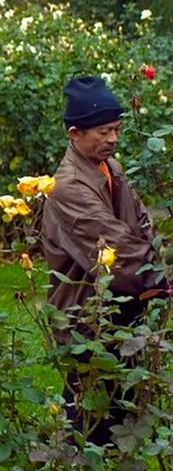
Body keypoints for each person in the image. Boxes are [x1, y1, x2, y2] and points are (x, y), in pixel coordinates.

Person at [41, 76, 166, 446]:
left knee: (122, 419)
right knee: (89, 426)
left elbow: (142, 223)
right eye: (103, 131)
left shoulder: (111, 167)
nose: (112, 138)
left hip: (120, 310)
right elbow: (115, 249)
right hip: (87, 321)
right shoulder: (68, 186)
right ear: (75, 133)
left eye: (116, 129)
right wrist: (161, 278)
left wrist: (158, 260)